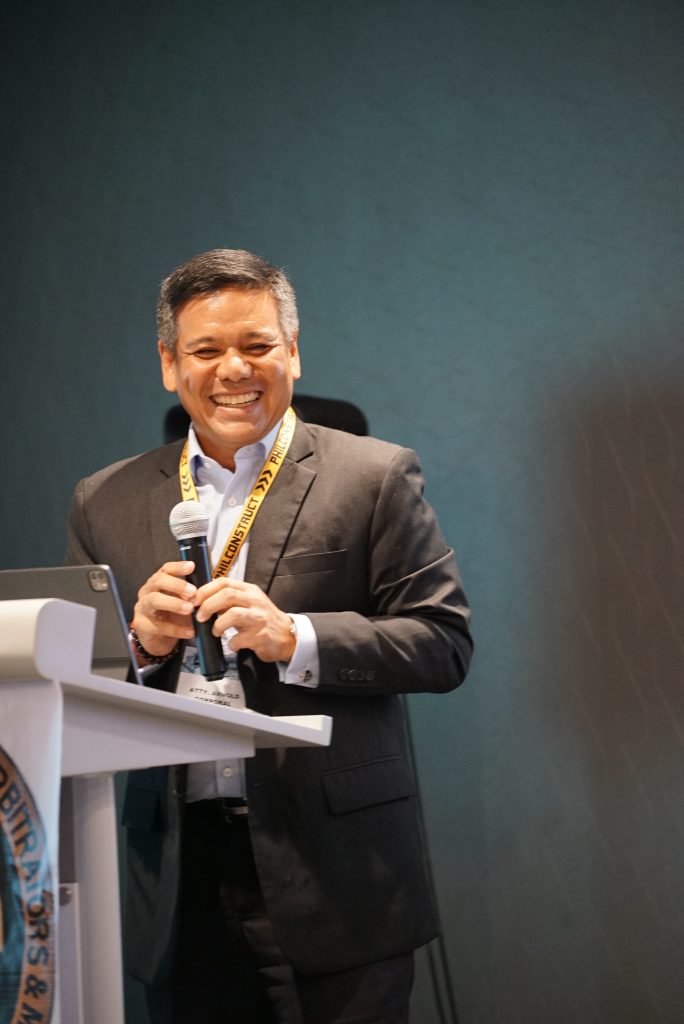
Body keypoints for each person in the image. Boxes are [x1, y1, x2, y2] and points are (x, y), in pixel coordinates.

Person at [65, 249, 473, 1024]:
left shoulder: (373, 476)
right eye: (206, 350)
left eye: (256, 345)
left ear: (292, 351)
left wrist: (296, 637)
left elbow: (443, 641)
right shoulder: (104, 499)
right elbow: (71, 683)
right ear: (169, 364)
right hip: (178, 876)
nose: (233, 370)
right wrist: (140, 645)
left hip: (339, 871)